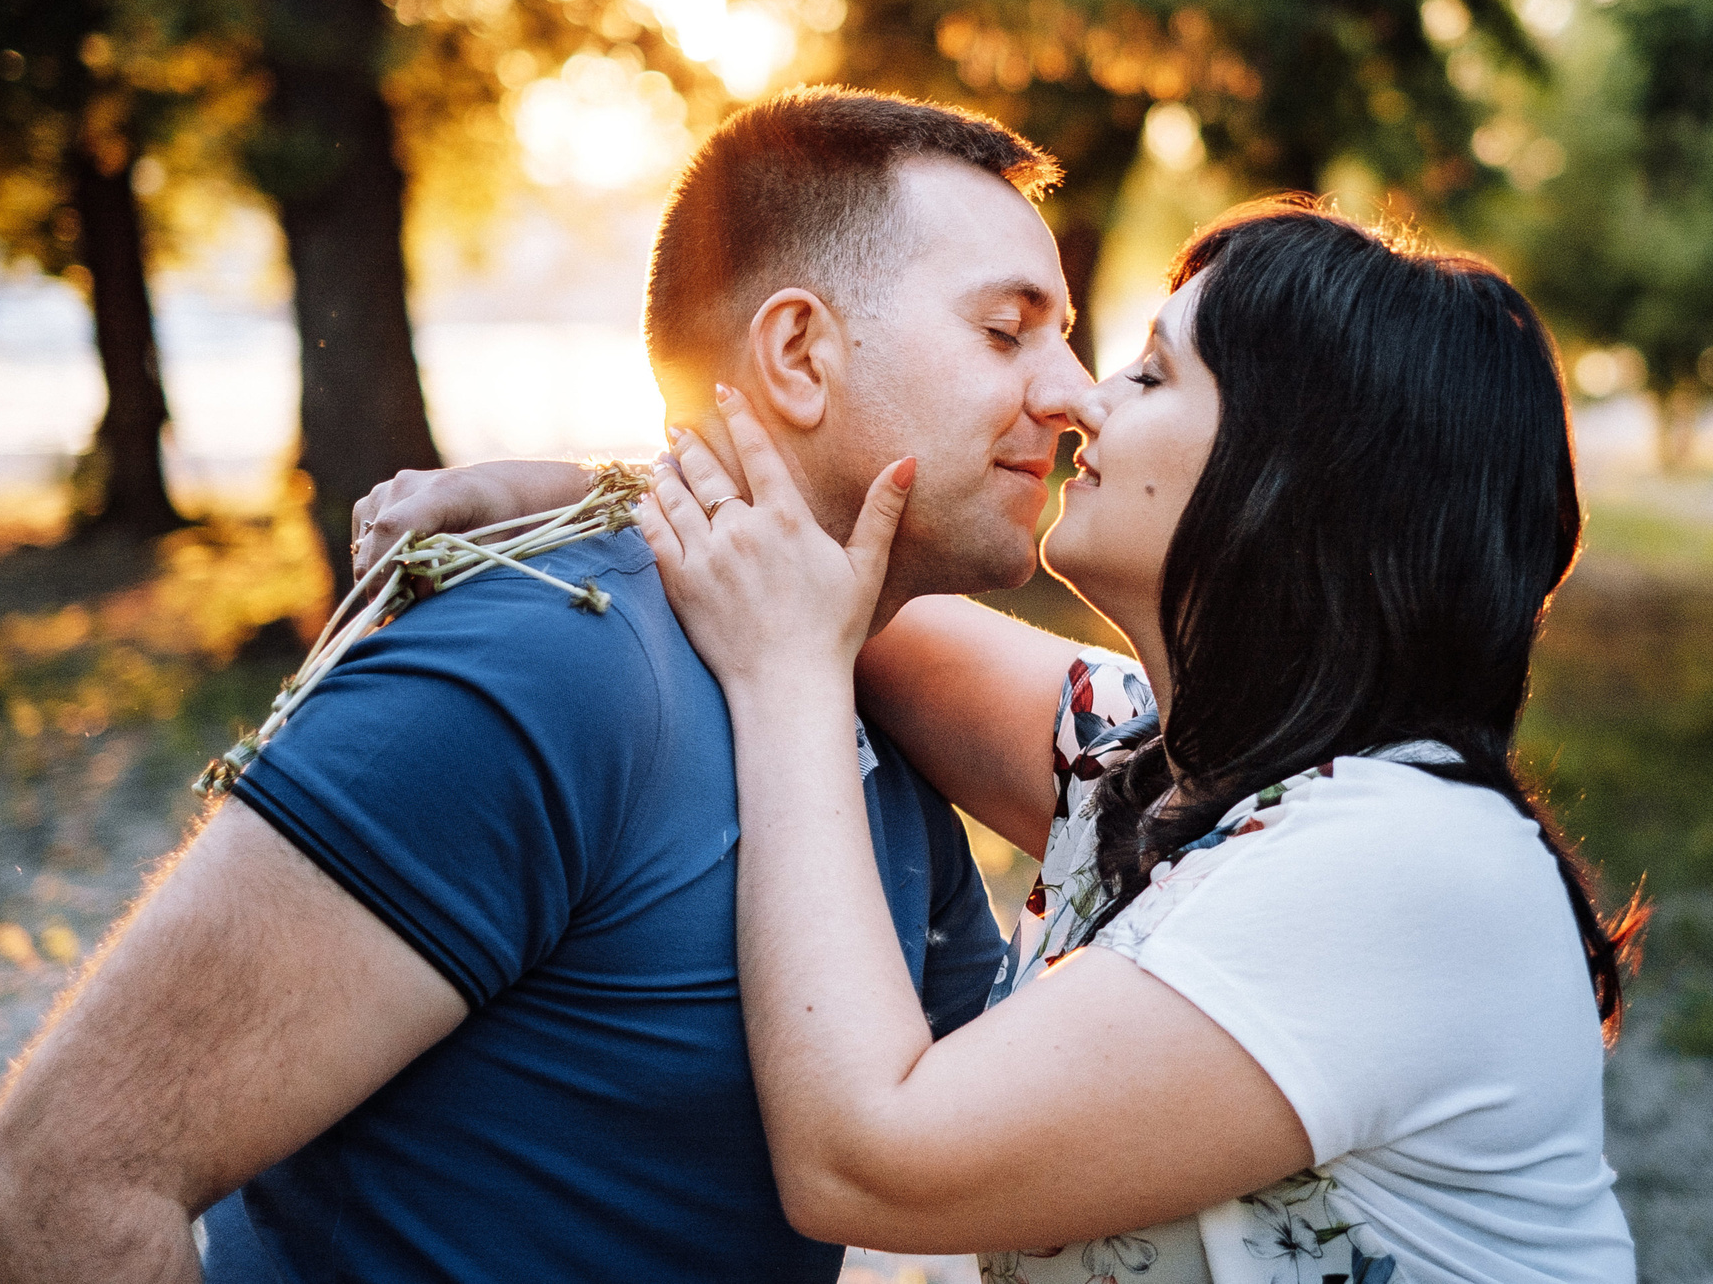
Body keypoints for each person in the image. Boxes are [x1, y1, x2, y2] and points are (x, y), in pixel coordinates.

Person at [0, 88, 1097, 1284]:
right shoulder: (542, 669)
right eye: (1005, 332)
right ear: (798, 355)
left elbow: (980, 1128)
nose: (1075, 392)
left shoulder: (851, 699)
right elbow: (64, 1181)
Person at [421, 201, 1647, 1283]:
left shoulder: (1397, 866)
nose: (1079, 400)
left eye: (1153, 375)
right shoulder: (1159, 764)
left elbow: (867, 1161)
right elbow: (805, 572)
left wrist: (788, 680)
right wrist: (571, 496)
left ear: (1303, 474)